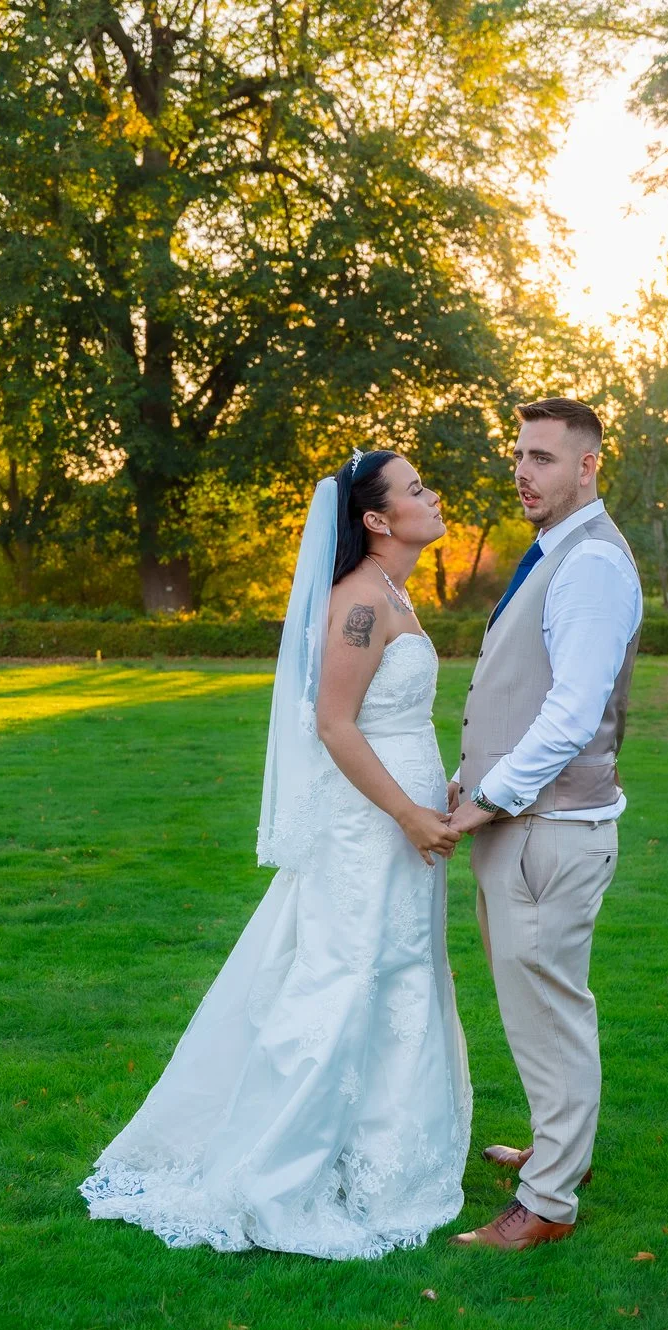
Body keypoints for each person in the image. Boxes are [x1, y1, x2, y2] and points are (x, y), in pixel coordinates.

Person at [78, 451, 473, 1259]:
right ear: (374, 518)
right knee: (346, 975)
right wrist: (406, 814)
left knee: (399, 973)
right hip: (370, 828)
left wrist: (445, 789)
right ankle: (276, 1171)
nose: (432, 498)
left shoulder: (396, 594)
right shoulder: (359, 601)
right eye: (415, 489)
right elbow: (334, 724)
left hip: (404, 822)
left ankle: (380, 1163)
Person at [445, 398, 642, 1250]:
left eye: (545, 458)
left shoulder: (591, 564)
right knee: (537, 1006)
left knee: (551, 1009)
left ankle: (549, 1204)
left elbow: (569, 715)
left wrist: (488, 799)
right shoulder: (556, 554)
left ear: (590, 465)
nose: (524, 472)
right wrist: (466, 781)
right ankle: (559, 1150)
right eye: (520, 455)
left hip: (546, 829)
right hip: (522, 825)